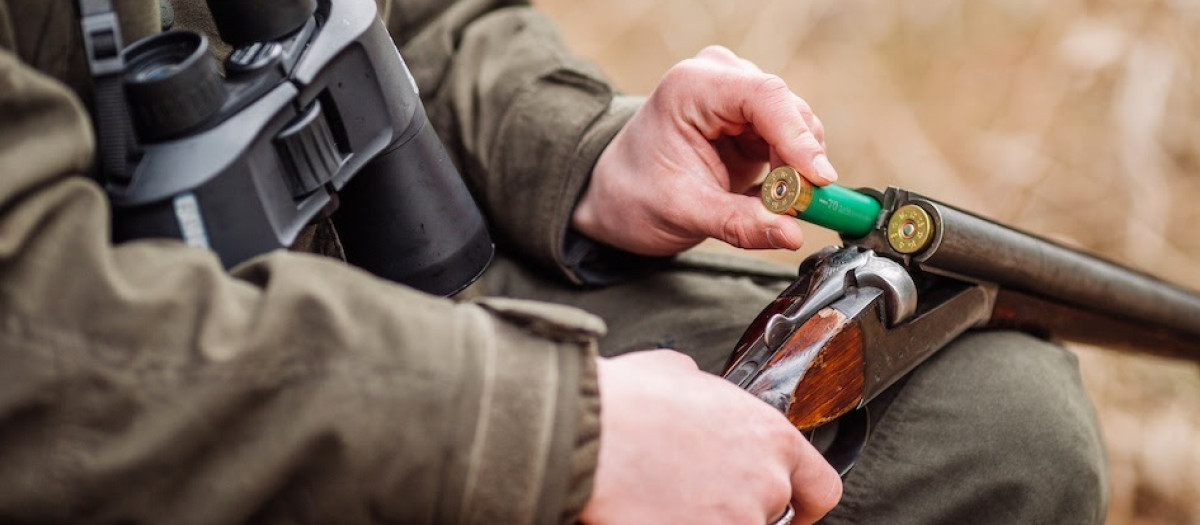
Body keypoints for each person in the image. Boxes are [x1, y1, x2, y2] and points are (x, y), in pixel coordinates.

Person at [0, 0, 1107, 523]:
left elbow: (408, 19)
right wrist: (554, 429)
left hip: (358, 308)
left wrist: (582, 153)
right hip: (135, 416)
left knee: (998, 421)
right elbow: (29, 335)